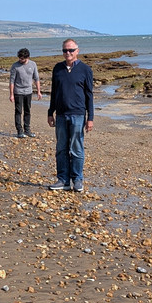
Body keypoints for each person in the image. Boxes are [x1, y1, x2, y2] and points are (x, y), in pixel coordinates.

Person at [47, 38, 94, 192]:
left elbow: (89, 95)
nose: (68, 53)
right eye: (65, 50)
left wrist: (90, 118)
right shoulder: (57, 69)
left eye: (71, 50)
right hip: (60, 115)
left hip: (78, 115)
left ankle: (77, 180)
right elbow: (54, 92)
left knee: (76, 148)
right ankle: (63, 180)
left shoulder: (85, 70)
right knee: (61, 148)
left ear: (77, 51)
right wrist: (50, 112)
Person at [8, 47, 42, 138]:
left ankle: (27, 130)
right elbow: (12, 81)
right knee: (18, 111)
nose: (20, 60)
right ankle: (19, 130)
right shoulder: (15, 66)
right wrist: (11, 94)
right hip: (18, 91)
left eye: (22, 58)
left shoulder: (33, 64)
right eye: (19, 58)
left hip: (29, 91)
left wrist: (39, 91)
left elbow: (36, 78)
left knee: (27, 111)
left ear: (27, 57)